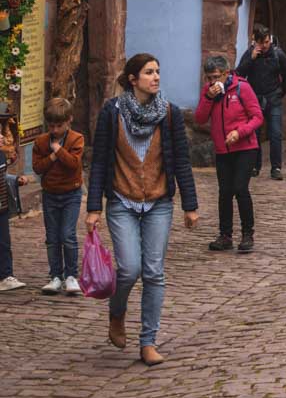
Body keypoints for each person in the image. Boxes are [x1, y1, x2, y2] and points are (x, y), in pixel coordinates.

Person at [85, 53, 200, 366]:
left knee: (154, 273)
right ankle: (117, 312)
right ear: (133, 79)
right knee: (129, 269)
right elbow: (98, 163)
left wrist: (190, 205)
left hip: (158, 203)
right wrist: (93, 207)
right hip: (122, 200)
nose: (156, 77)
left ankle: (148, 341)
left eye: (158, 72)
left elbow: (181, 161)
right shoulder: (112, 113)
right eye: (149, 72)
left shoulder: (170, 114)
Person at [194, 55, 263, 254]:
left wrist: (239, 132)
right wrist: (208, 97)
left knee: (240, 188)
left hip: (245, 148)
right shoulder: (209, 91)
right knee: (224, 192)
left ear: (226, 73)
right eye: (208, 78)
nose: (212, 82)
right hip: (222, 149)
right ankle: (225, 235)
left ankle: (247, 234)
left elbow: (257, 117)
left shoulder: (242, 88)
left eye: (216, 77)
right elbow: (199, 118)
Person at [33, 98, 86, 295]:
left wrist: (59, 150)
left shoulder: (76, 139)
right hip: (50, 194)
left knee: (68, 235)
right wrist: (52, 156)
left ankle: (71, 276)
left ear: (69, 120)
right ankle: (55, 275)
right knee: (52, 237)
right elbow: (38, 167)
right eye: (52, 126)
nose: (55, 130)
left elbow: (73, 164)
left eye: (59, 125)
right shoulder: (40, 142)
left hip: (71, 193)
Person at [235, 24, 286, 180]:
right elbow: (239, 74)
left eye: (267, 42)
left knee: (275, 133)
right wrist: (251, 59)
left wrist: (280, 93)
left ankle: (276, 168)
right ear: (255, 41)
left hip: (274, 98)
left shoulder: (278, 54)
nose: (265, 46)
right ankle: (255, 165)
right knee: (255, 134)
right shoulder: (249, 54)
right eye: (262, 43)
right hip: (255, 100)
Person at [0, 109, 31, 293]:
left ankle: (6, 275)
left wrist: (15, 180)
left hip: (1, 203)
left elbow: (2, 176)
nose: (2, 137)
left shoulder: (2, 155)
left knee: (4, 241)